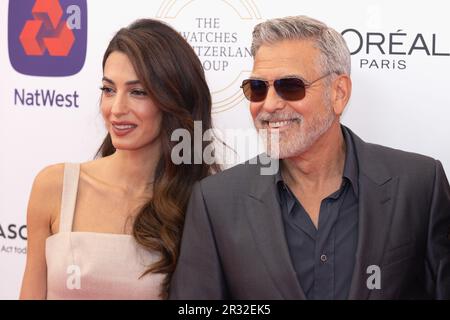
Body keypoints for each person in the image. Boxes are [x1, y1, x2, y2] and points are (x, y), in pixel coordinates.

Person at [169, 15, 450, 299]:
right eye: (257, 88)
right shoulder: (216, 201)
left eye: (290, 86)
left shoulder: (419, 185)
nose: (269, 104)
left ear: (338, 93)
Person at [20, 18, 218, 300]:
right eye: (109, 90)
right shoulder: (55, 186)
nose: (116, 108)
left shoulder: (201, 204)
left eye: (138, 92)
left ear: (173, 100)